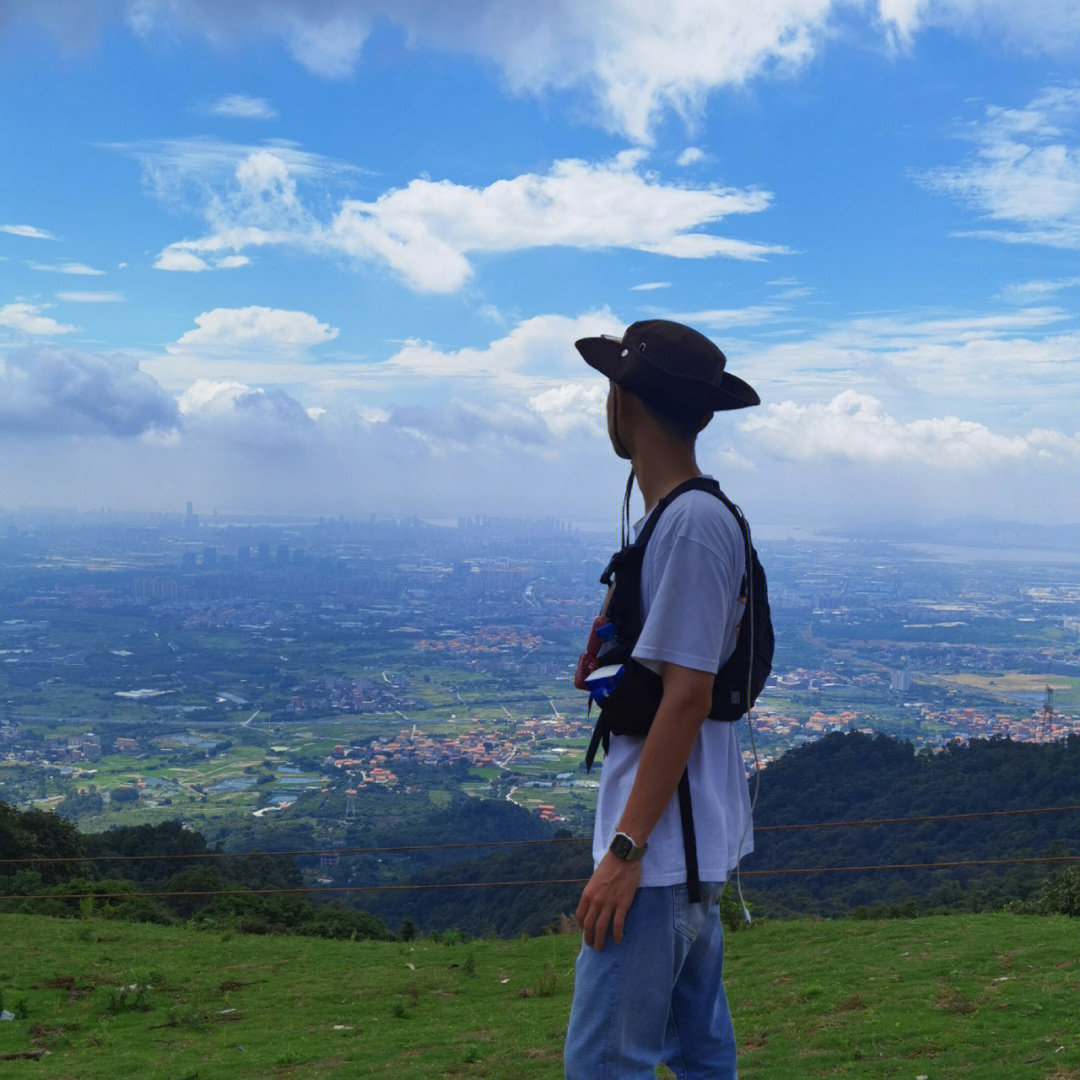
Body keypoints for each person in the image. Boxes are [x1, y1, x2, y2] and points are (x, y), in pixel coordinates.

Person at [564, 319, 760, 1080]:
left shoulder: (689, 526)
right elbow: (672, 688)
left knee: (603, 1068)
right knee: (701, 1057)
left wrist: (623, 852)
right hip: (680, 856)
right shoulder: (683, 522)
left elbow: (687, 699)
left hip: (657, 861)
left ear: (624, 400)